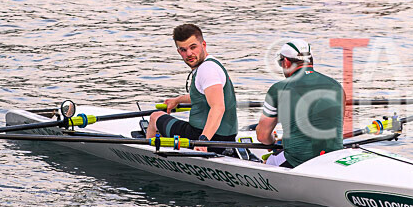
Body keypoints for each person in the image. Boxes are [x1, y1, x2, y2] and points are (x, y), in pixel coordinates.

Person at [146, 24, 238, 152]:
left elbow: (218, 107)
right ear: (178, 51)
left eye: (193, 47)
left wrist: (203, 140)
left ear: (203, 45)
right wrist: (177, 100)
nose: (189, 53)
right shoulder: (212, 64)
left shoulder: (207, 70)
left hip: (202, 137)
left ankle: (149, 155)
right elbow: (203, 96)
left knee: (155, 117)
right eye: (183, 50)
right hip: (225, 139)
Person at [256, 40, 344, 168]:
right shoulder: (336, 85)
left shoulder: (278, 88)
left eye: (280, 62)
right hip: (332, 157)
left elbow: (262, 136)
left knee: (267, 162)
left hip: (298, 161)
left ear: (286, 62)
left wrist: (273, 142)